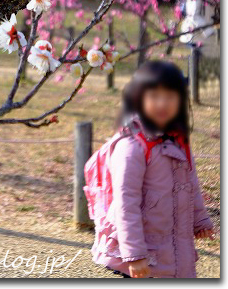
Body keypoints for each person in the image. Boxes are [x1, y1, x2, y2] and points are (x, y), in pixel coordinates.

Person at [91, 60, 214, 278]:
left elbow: (191, 184)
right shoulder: (131, 146)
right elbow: (125, 203)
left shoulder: (178, 141)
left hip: (170, 247)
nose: (162, 104)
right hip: (137, 256)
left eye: (170, 97)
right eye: (154, 96)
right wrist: (135, 254)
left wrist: (200, 219)